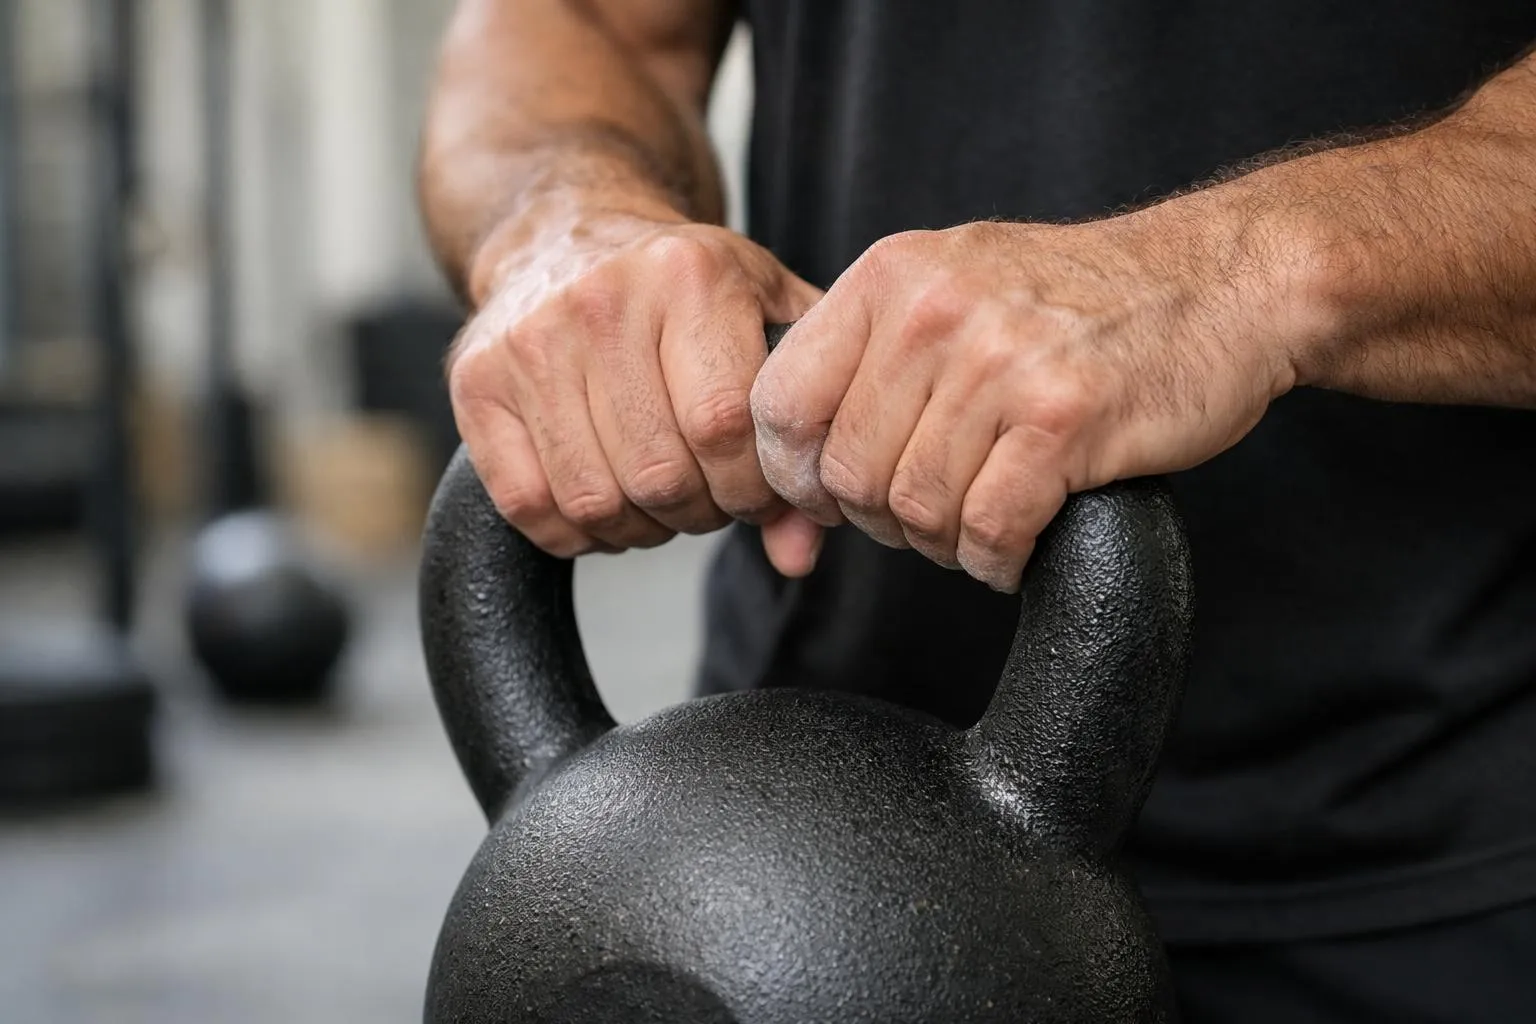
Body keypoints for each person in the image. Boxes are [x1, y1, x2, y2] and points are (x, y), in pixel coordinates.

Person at [418, 2, 1536, 1019]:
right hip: (765, 877)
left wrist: (1245, 277)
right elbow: (582, 23)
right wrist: (562, 225)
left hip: (1444, 843)